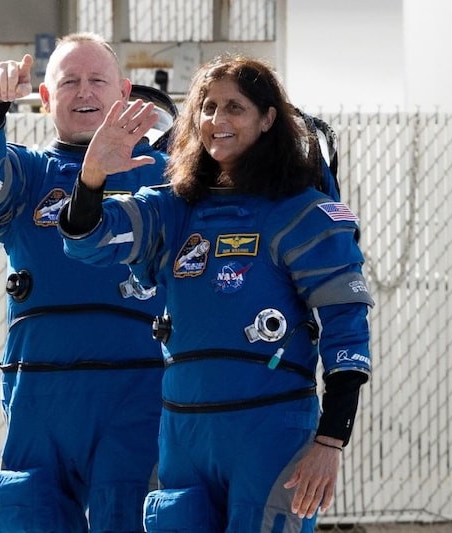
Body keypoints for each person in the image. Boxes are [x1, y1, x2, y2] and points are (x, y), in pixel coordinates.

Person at [59, 54, 374, 532]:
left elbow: (346, 333)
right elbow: (89, 240)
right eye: (207, 107)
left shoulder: (302, 215)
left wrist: (330, 442)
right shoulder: (175, 209)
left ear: (269, 119)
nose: (217, 120)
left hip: (270, 433)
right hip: (184, 436)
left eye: (234, 108)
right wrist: (92, 176)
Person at [0, 32, 169, 533]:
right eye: (69, 82)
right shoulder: (28, 177)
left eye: (96, 80)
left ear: (124, 93)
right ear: (45, 100)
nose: (84, 93)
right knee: (31, 510)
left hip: (137, 391)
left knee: (129, 514)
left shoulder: (167, 180)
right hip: (41, 393)